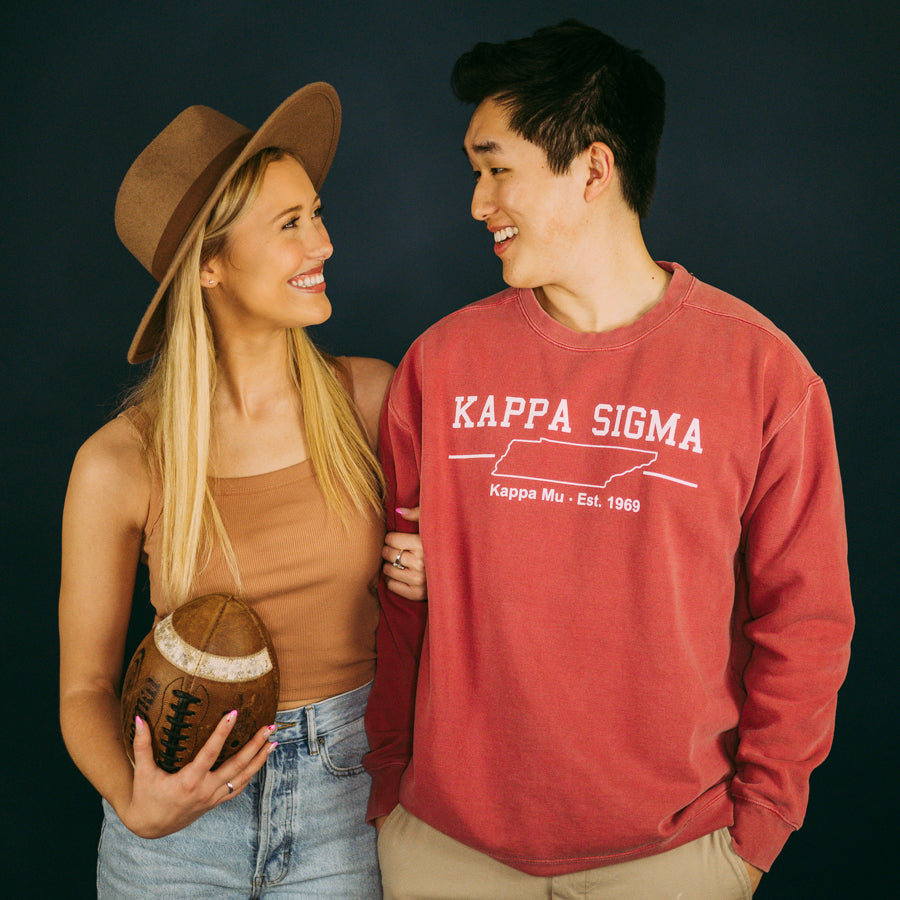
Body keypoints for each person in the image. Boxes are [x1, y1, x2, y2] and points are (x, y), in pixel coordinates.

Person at [364, 21, 854, 899]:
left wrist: (757, 832)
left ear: (593, 169)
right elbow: (397, 605)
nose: (477, 203)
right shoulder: (441, 365)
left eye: (496, 168)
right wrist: (390, 790)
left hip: (674, 859)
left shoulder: (764, 372)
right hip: (446, 850)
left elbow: (805, 622)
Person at [59, 83, 425, 898]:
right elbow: (83, 689)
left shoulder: (371, 399)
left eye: (316, 213)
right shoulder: (119, 462)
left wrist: (440, 565)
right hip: (177, 828)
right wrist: (134, 799)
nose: (323, 242)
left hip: (348, 791)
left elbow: (476, 581)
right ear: (211, 265)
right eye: (289, 224)